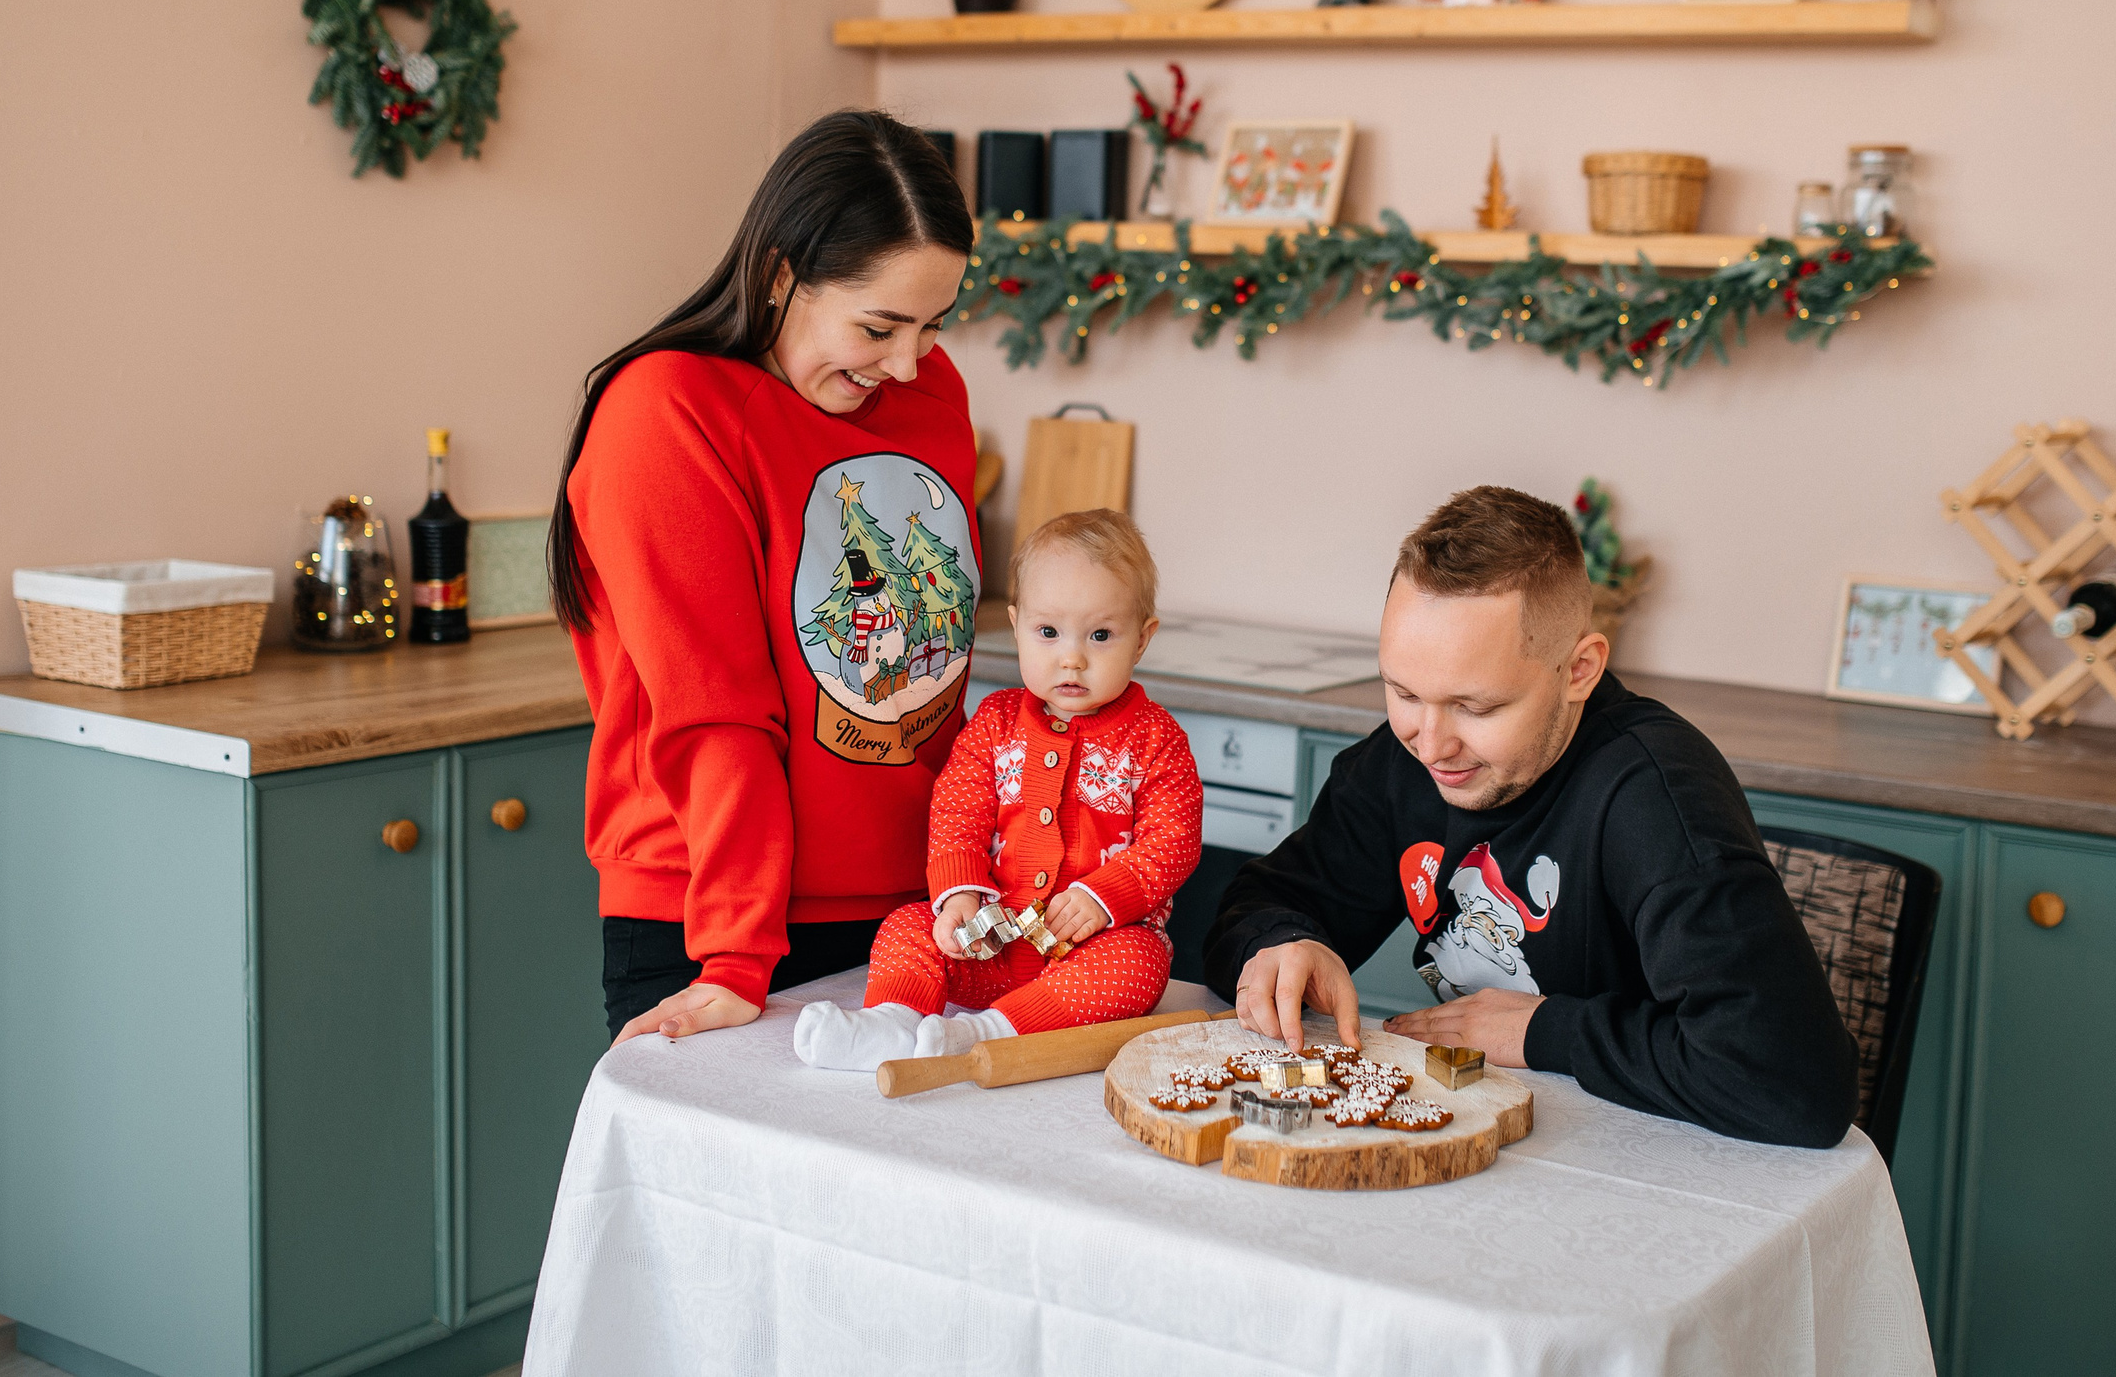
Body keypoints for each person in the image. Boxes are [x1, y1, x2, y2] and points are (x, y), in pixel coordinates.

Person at [1204, 486, 1859, 1147]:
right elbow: (1258, 903)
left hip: (1665, 1166)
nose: (1430, 744)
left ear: (1580, 670)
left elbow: (1793, 1085)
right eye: (1403, 691)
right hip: (1497, 1138)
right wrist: (1282, 945)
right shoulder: (1402, 762)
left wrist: (1541, 1029)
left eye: (1477, 707)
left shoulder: (1656, 798)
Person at [551, 110, 983, 1045]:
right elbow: (719, 712)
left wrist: (962, 872)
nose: (909, 361)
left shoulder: (927, 393)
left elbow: (931, 679)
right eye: (879, 325)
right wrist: (739, 957)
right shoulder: (667, 413)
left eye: (934, 324)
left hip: (919, 915)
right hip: (720, 928)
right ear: (783, 273)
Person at [795, 509, 1203, 1070]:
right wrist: (960, 894)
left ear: (1142, 639)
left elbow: (1173, 842)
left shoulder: (1157, 740)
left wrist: (1106, 898)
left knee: (1142, 962)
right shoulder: (993, 722)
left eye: (1101, 635)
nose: (1072, 658)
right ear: (1016, 626)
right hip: (991, 945)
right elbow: (956, 812)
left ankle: (993, 1033)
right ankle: (892, 1021)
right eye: (1048, 632)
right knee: (908, 925)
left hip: (1088, 953)